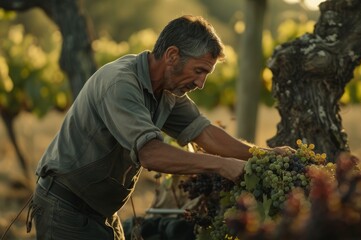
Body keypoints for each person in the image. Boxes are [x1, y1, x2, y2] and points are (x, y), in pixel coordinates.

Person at [27, 15, 292, 240]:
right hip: (66, 209)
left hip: (101, 212)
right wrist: (221, 165)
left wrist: (263, 155)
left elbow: (205, 133)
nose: (201, 84)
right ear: (172, 55)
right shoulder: (121, 83)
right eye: (199, 71)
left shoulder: (167, 90)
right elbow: (150, 154)